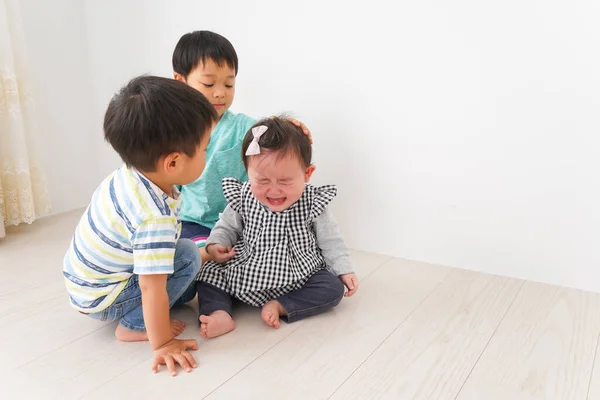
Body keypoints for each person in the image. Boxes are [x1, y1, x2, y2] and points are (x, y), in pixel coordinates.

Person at [63, 76, 217, 376]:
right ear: (172, 163)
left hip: (85, 282)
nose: (206, 156)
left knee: (187, 266)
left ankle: (146, 313)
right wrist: (162, 344)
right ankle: (133, 325)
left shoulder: (131, 174)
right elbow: (150, 285)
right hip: (103, 297)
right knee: (187, 255)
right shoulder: (153, 217)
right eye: (204, 150)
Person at [195, 117, 359, 339]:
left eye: (284, 181)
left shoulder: (313, 201)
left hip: (299, 273)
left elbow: (331, 241)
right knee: (209, 274)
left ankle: (281, 305)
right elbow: (226, 226)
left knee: (332, 288)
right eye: (262, 181)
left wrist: (343, 269)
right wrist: (217, 245)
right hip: (247, 267)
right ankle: (218, 312)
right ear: (247, 171)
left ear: (307, 174)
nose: (274, 191)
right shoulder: (243, 195)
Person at [172, 31, 311, 258]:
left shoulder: (241, 126)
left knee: (262, 249)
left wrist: (288, 127)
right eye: (208, 83)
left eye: (229, 84)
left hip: (237, 222)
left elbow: (268, 132)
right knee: (193, 253)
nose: (220, 93)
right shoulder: (173, 131)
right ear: (181, 81)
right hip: (192, 223)